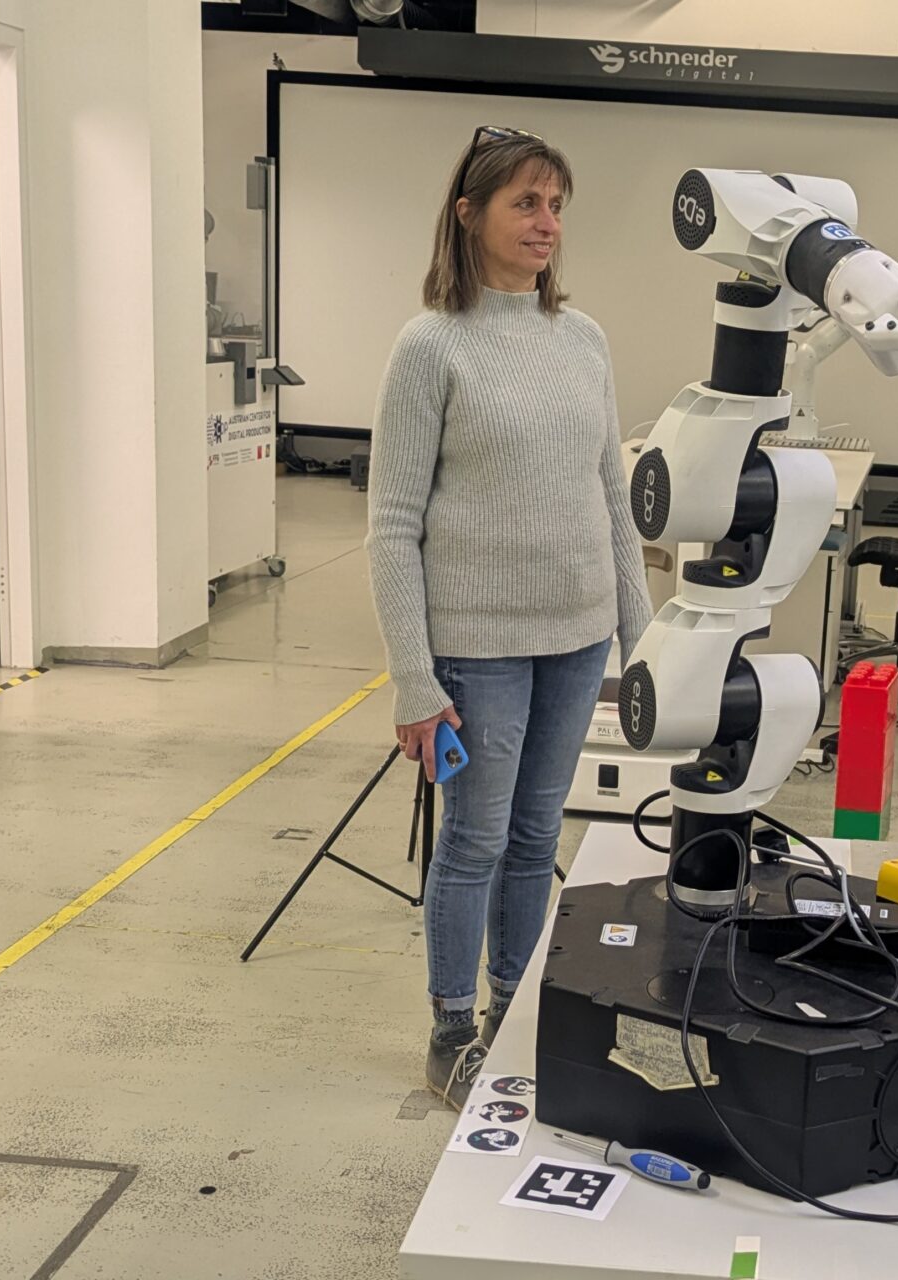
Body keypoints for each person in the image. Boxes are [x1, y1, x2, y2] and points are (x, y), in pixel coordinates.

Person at [367, 126, 650, 1104]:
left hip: (576, 637)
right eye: (526, 203)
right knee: (476, 843)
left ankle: (512, 1010)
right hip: (476, 647)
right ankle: (452, 1026)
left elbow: (610, 495)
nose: (545, 223)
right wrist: (413, 675)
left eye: (556, 205)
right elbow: (391, 525)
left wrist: (640, 636)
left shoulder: (583, 338)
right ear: (468, 214)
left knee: (536, 839)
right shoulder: (431, 345)